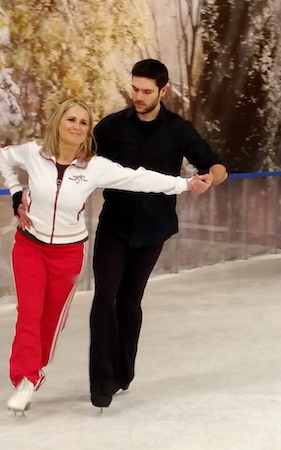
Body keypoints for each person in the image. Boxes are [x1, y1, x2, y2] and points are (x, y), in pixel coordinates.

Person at [0, 98, 212, 414]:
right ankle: (26, 380)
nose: (76, 126)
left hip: (68, 253)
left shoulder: (94, 168)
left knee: (50, 319)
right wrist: (16, 192)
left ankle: (34, 369)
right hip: (29, 245)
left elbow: (140, 178)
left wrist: (185, 184)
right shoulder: (33, 153)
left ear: (88, 132)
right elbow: (3, 157)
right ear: (58, 122)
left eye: (83, 123)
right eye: (71, 119)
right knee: (28, 314)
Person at [89, 59, 228, 409]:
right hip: (114, 224)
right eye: (135, 89)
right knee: (104, 297)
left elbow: (217, 166)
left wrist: (209, 179)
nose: (138, 96)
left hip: (153, 228)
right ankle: (101, 382)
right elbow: (81, 161)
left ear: (162, 91)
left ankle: (123, 372)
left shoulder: (179, 130)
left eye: (146, 91)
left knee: (129, 300)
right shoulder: (110, 127)